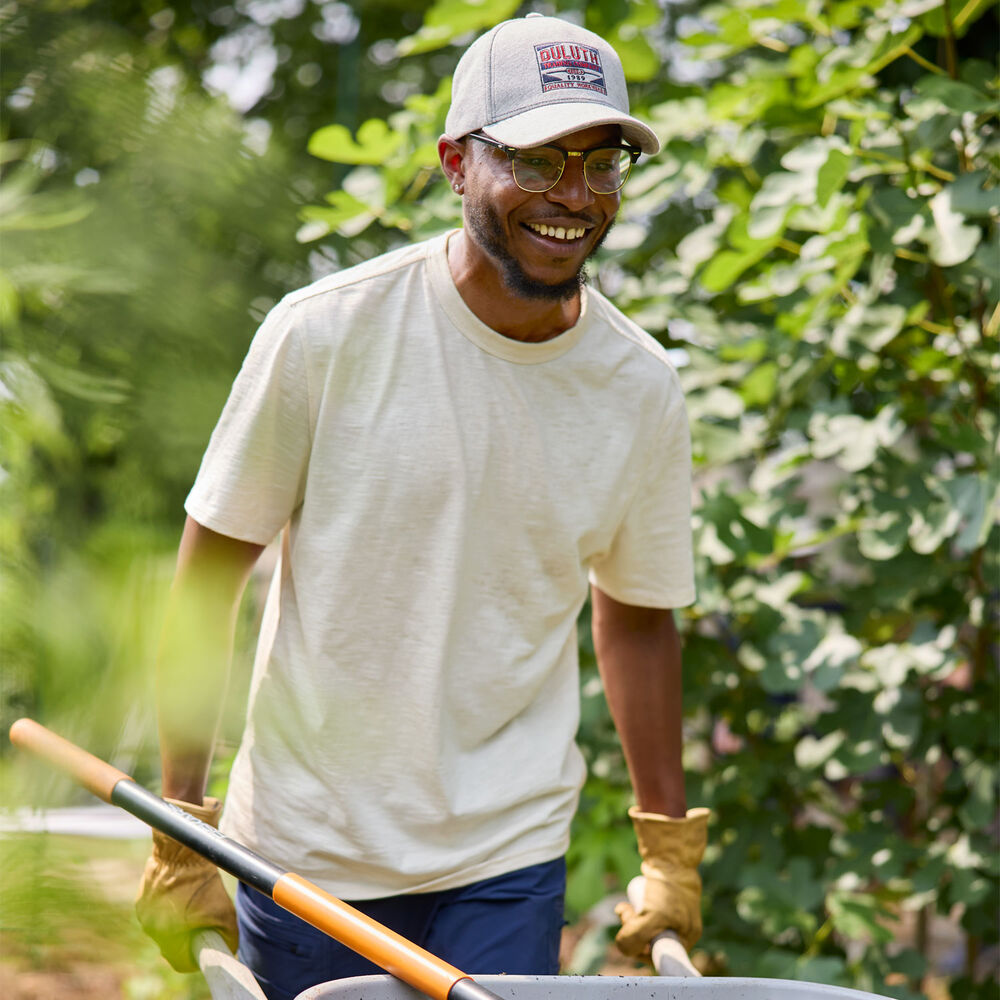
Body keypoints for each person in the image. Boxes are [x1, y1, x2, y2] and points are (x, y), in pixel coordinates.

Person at [136, 13, 709, 1000]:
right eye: (536, 160)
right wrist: (179, 822)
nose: (573, 196)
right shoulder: (327, 336)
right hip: (312, 850)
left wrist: (669, 849)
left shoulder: (638, 386)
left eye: (600, 162)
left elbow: (638, 617)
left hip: (505, 854)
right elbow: (209, 577)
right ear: (456, 162)